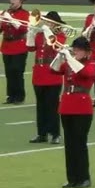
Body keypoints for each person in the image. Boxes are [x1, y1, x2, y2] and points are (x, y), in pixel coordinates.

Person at [53, 37, 95, 188]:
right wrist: (60, 55)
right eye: (75, 49)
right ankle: (72, 178)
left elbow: (84, 73)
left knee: (79, 143)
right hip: (66, 105)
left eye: (79, 50)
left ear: (86, 52)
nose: (76, 51)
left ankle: (84, 177)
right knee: (69, 144)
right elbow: (53, 69)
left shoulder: (91, 64)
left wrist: (69, 57)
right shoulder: (70, 63)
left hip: (82, 107)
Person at [28, 11, 68, 144]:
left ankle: (55, 134)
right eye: (46, 21)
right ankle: (42, 133)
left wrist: (46, 31)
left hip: (52, 74)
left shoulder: (60, 35)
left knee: (52, 106)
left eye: (49, 22)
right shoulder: (40, 35)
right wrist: (31, 33)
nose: (46, 23)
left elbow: (55, 46)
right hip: (39, 74)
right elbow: (30, 48)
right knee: (41, 106)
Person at [2, 0, 30, 104]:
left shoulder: (24, 14)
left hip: (19, 46)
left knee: (17, 71)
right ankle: (11, 96)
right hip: (6, 46)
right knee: (9, 72)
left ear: (21, 1)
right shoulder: (6, 12)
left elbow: (23, 28)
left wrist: (10, 19)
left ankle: (19, 96)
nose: (12, 1)